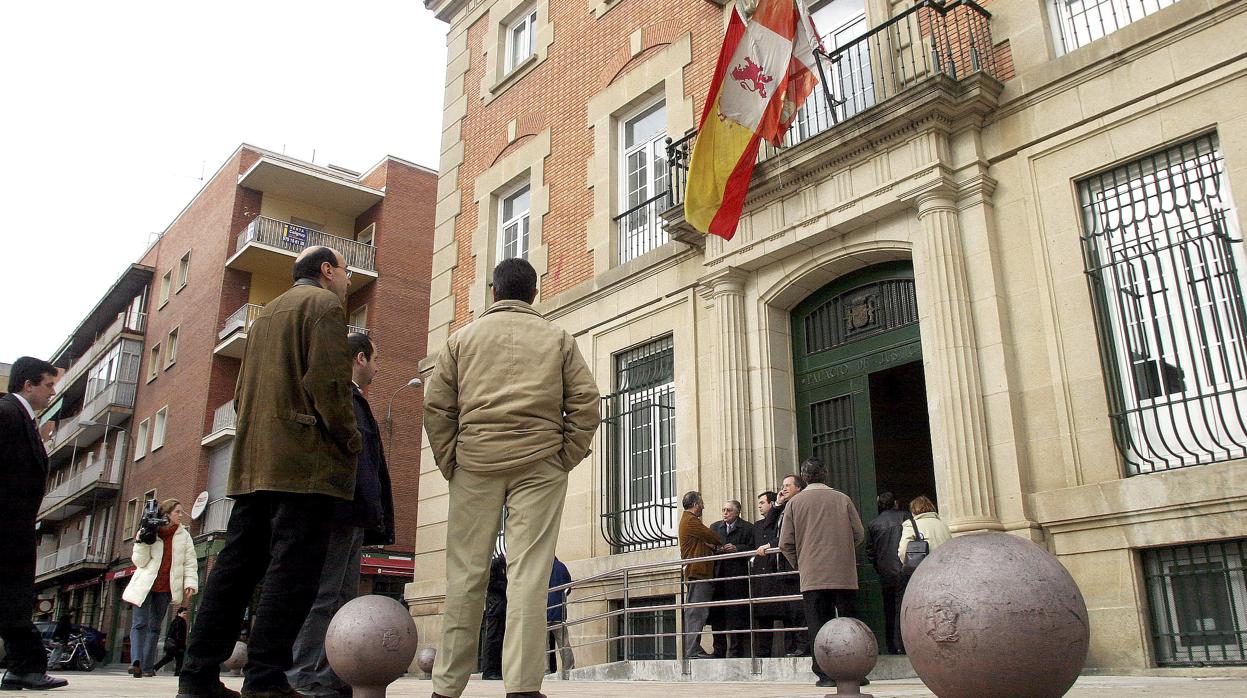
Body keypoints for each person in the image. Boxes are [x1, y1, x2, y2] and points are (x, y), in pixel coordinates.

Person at [177, 246, 361, 698]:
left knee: (234, 570)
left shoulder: (264, 318)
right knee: (292, 572)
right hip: (303, 466)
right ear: (326, 271)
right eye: (344, 270)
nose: (348, 279)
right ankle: (265, 678)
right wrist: (350, 440)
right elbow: (329, 387)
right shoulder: (324, 307)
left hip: (254, 464)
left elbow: (241, 396)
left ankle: (196, 676)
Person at [424, 257, 601, 698]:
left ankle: (446, 686)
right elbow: (585, 403)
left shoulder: (460, 339)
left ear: (493, 293)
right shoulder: (557, 337)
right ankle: (523, 686)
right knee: (529, 575)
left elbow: (436, 408)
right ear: (534, 294)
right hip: (540, 463)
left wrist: (452, 462)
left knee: (465, 574)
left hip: (475, 463)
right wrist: (563, 457)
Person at [288, 333, 396, 698]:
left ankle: (334, 673)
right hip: (337, 512)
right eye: (376, 358)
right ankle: (307, 674)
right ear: (360, 358)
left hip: (351, 516)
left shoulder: (354, 400)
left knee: (342, 597)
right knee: (326, 595)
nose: (379, 366)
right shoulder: (340, 398)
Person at [0, 357, 68, 691]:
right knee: (12, 597)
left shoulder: (22, 418)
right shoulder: (7, 414)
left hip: (15, 526)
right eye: (48, 385)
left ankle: (21, 668)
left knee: (13, 598)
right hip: (7, 526)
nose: (52, 392)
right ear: (28, 385)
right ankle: (25, 667)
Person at [778, 458, 866, 689]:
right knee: (850, 622)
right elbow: (859, 534)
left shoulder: (794, 504)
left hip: (812, 575)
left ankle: (824, 674)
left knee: (817, 624)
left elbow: (785, 542)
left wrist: (802, 562)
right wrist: (844, 553)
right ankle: (856, 670)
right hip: (843, 573)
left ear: (804, 477)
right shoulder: (842, 498)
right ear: (825, 474)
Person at [125, 498, 197, 678]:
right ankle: (136, 662)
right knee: (139, 623)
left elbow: (189, 562)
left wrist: (190, 583)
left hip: (165, 587)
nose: (181, 515)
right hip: (145, 585)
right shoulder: (151, 531)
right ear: (166, 514)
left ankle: (148, 667)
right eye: (177, 512)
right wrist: (141, 542)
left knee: (155, 626)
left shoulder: (184, 535)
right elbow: (140, 562)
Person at [676, 491, 727, 659]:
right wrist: (715, 543)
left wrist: (711, 546)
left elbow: (707, 541)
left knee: (697, 612)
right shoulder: (691, 521)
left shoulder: (690, 521)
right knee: (696, 613)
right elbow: (713, 536)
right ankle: (692, 650)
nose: (703, 506)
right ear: (696, 504)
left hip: (698, 572)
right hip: (698, 572)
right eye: (701, 503)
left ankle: (693, 649)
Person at [708, 500, 753, 658]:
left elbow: (753, 548)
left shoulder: (747, 528)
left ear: (737, 512)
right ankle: (718, 650)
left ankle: (735, 651)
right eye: (723, 510)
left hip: (737, 578)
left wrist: (737, 548)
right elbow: (708, 546)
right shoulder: (715, 527)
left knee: (736, 615)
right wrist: (719, 549)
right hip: (719, 576)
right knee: (717, 616)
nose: (725, 513)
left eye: (728, 510)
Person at [865, 492, 906, 654]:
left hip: (885, 573)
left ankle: (891, 645)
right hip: (905, 569)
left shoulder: (873, 524)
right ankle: (903, 644)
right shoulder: (906, 518)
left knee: (889, 609)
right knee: (905, 608)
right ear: (895, 503)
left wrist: (879, 567)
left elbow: (870, 551)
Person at [480, 556, 507, 681]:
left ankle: (495, 669)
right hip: (495, 607)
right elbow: (491, 582)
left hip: (499, 607)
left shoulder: (502, 565)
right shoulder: (496, 564)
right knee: (493, 638)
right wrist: (506, 585)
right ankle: (489, 670)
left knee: (498, 639)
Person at [546, 556, 573, 673]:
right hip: (559, 610)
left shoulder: (542, 566)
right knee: (564, 642)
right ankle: (568, 669)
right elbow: (569, 587)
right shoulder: (561, 567)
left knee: (543, 644)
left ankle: (545, 670)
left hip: (544, 609)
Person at [154, 607, 190, 675]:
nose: (185, 615)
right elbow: (180, 634)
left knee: (169, 658)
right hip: (177, 644)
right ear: (179, 613)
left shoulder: (175, 621)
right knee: (178, 659)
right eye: (184, 613)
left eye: (186, 613)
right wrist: (181, 644)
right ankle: (177, 673)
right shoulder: (181, 622)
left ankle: (155, 668)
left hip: (172, 643)